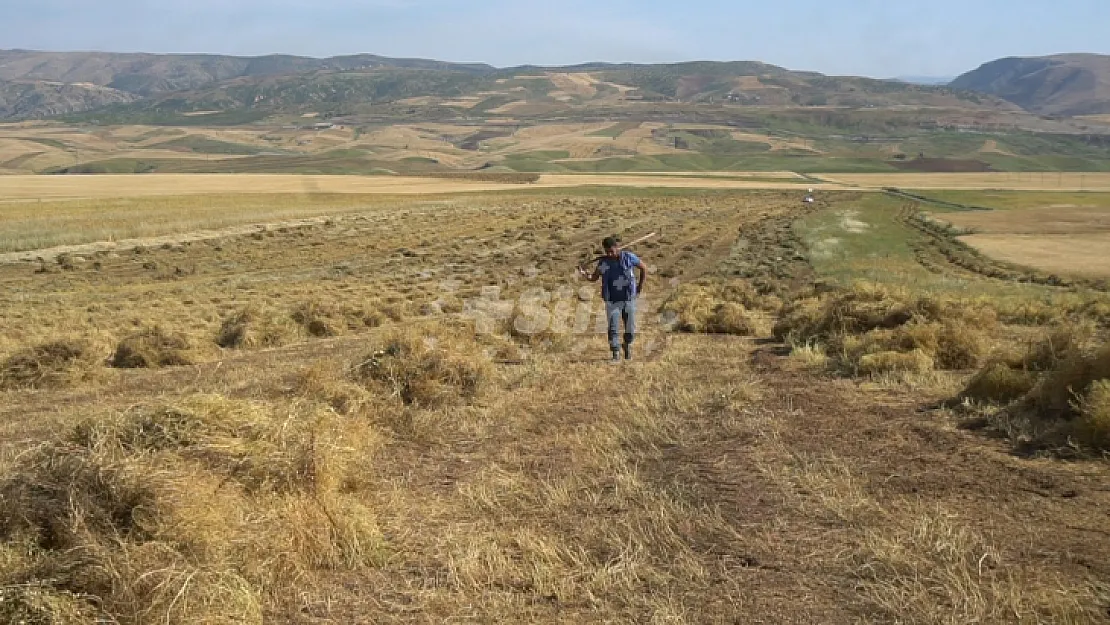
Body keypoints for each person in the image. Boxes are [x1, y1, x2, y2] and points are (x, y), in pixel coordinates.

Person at [578, 236, 648, 363]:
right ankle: (615, 353)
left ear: (617, 247)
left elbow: (643, 268)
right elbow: (594, 278)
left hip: (628, 298)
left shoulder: (628, 258)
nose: (610, 254)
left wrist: (640, 286)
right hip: (611, 300)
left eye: (612, 251)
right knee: (613, 328)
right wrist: (584, 274)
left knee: (630, 327)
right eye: (607, 252)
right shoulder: (604, 263)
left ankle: (627, 344)